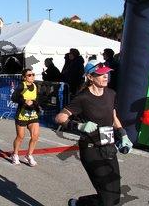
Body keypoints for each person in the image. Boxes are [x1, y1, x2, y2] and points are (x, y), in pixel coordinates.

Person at [55, 62, 133, 206]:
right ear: (90, 77)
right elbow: (60, 117)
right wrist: (79, 125)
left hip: (108, 147)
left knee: (114, 197)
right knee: (108, 199)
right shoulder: (83, 98)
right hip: (91, 150)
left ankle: (78, 204)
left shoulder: (111, 94)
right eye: (101, 74)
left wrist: (123, 134)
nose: (106, 76)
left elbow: (113, 116)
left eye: (106, 73)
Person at [10, 68, 41, 166]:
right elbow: (14, 97)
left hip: (33, 115)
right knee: (20, 136)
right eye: (29, 75)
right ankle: (15, 154)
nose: (32, 76)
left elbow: (37, 98)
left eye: (33, 74)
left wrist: (35, 104)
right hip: (22, 115)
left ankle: (29, 155)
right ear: (24, 77)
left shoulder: (35, 86)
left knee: (35, 136)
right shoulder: (21, 86)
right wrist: (25, 101)